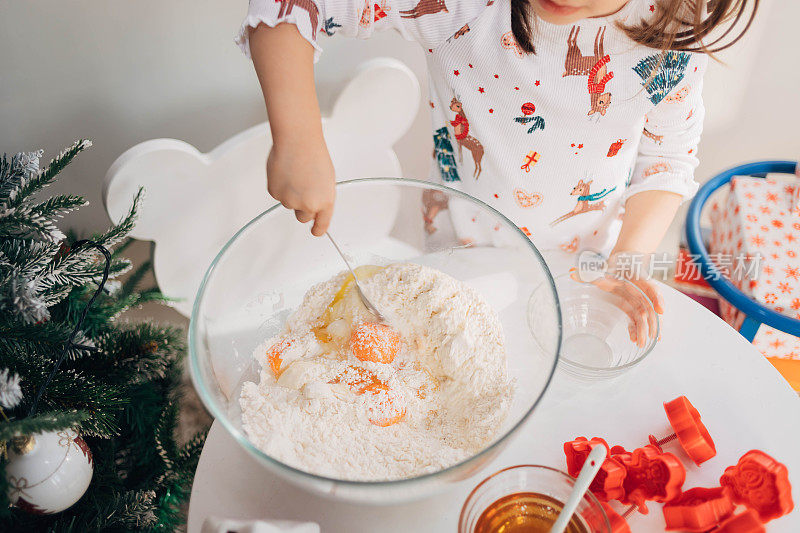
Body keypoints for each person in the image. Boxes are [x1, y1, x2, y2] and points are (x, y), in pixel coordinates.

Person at [237, 0, 757, 341]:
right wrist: (299, 138)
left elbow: (666, 158)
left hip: (586, 266)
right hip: (460, 251)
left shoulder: (673, 22)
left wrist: (630, 257)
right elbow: (288, 10)